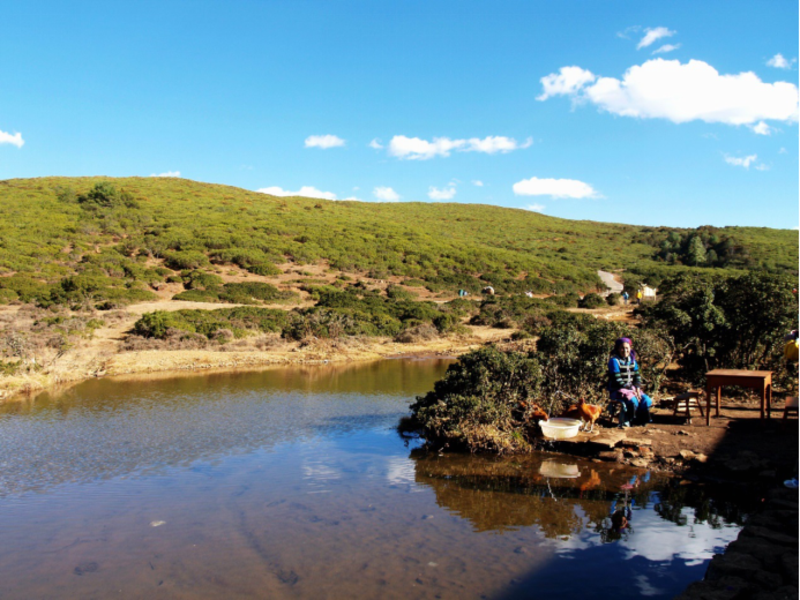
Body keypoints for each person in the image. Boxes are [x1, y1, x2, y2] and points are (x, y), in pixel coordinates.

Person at [608, 337, 653, 428]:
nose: (625, 350)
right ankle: (629, 420)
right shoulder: (614, 361)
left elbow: (637, 376)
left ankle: (641, 421)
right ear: (617, 348)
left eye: (627, 348)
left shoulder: (632, 361)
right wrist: (633, 391)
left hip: (632, 389)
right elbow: (617, 379)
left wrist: (637, 388)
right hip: (617, 390)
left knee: (646, 400)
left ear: (630, 348)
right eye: (622, 348)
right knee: (633, 400)